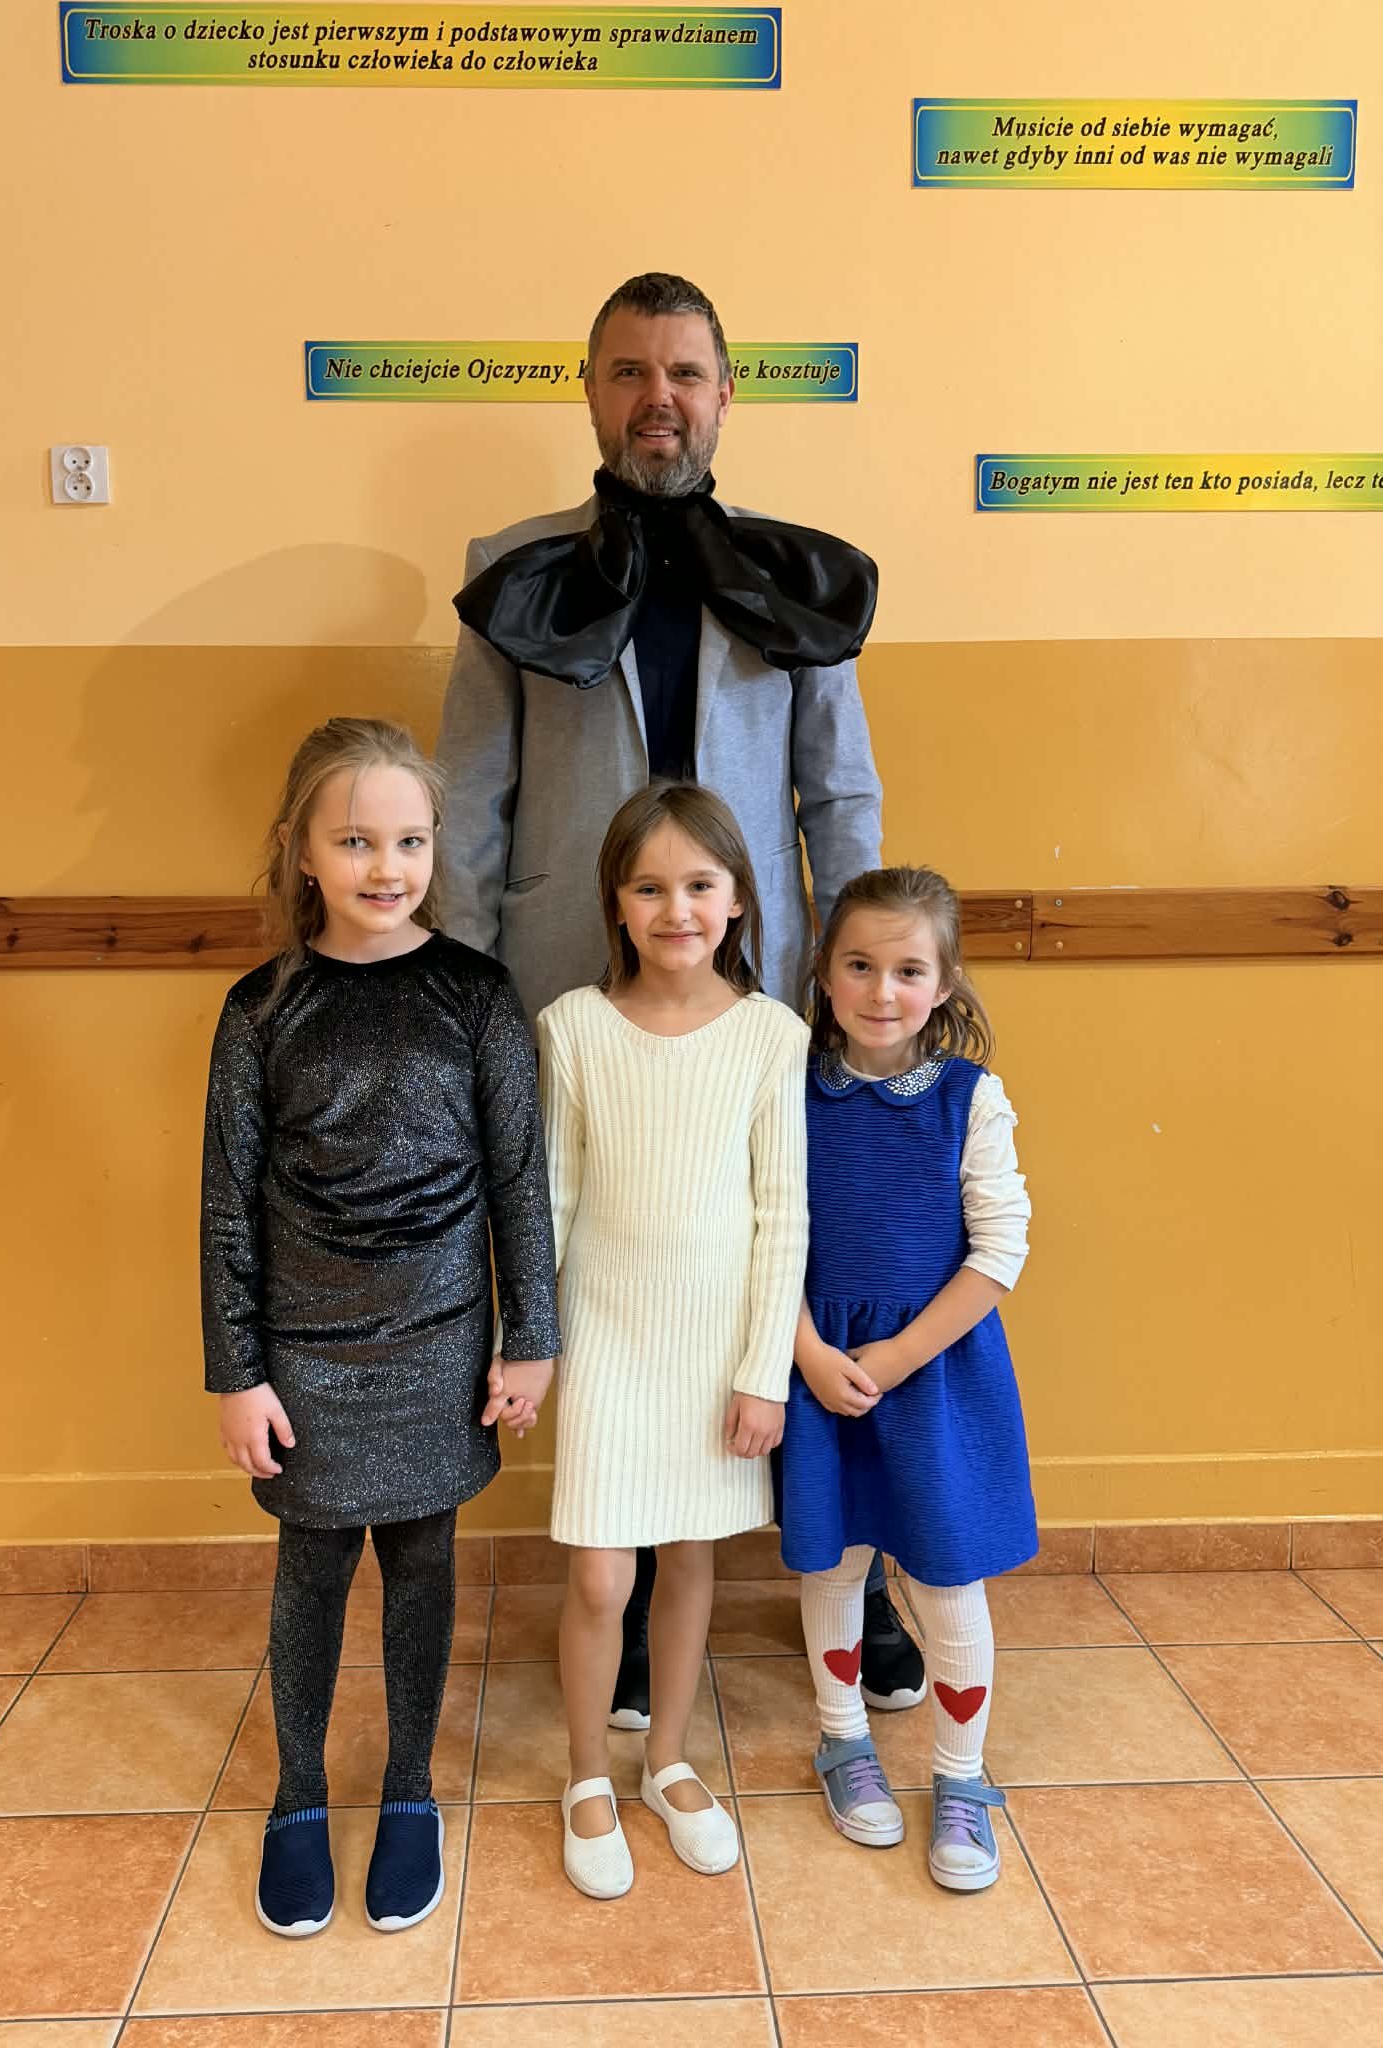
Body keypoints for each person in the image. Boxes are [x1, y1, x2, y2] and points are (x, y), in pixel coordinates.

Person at [438, 270, 923, 1722]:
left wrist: (861, 981)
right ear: (592, 391)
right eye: (631, 372)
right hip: (568, 991)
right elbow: (469, 797)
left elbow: (840, 796)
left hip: (760, 1000)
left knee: (800, 1269)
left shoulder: (797, 573)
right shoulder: (510, 570)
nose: (660, 399)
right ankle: (640, 1577)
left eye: (687, 373)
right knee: (619, 1275)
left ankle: (855, 1579)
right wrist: (463, 996)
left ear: (725, 392)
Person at [200, 718, 559, 1939]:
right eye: (355, 839)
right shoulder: (259, 1009)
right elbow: (226, 1204)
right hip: (303, 1350)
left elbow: (520, 1180)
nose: (385, 865)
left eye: (409, 839)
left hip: (443, 1339)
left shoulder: (477, 994)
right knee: (311, 1570)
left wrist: (531, 1336)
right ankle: (299, 1790)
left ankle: (409, 1784)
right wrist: (237, 1372)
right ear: (301, 849)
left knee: (420, 1560)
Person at [538, 781, 808, 1898]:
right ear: (616, 902)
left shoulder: (771, 1036)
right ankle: (585, 1773)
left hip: (715, 1351)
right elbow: (552, 1199)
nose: (676, 909)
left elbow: (783, 1215)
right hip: (606, 1339)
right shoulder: (573, 1027)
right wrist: (530, 1341)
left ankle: (667, 1759)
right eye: (649, 887)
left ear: (737, 897)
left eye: (699, 884)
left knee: (692, 1558)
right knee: (603, 1576)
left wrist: (763, 1373)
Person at [779, 866, 1037, 1892]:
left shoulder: (971, 1100)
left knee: (945, 1576)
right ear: (824, 971)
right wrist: (807, 1349)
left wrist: (894, 1356)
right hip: (818, 1369)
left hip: (932, 1378)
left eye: (908, 970)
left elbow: (1000, 1249)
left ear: (945, 981)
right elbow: (759, 1236)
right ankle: (843, 1739)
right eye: (859, 965)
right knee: (834, 1563)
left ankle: (961, 1776)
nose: (881, 990)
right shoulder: (788, 1089)